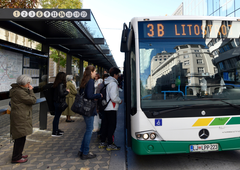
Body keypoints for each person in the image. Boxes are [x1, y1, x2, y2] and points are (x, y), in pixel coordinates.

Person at [9, 75, 37, 163]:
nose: (29, 85)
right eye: (28, 83)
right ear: (24, 83)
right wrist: (31, 91)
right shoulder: (20, 92)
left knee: (21, 136)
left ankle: (19, 154)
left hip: (20, 116)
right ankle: (16, 157)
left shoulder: (19, 90)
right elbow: (33, 100)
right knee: (20, 137)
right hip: (20, 117)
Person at [78, 65, 102, 160]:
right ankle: (85, 153)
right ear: (91, 72)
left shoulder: (84, 80)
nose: (96, 73)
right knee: (89, 130)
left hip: (84, 108)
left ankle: (82, 150)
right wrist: (98, 95)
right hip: (89, 109)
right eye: (95, 71)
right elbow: (89, 95)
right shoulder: (91, 81)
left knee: (88, 130)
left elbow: (82, 94)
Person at [98, 67, 122, 151]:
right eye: (118, 74)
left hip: (105, 107)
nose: (118, 76)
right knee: (112, 126)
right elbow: (114, 97)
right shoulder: (113, 84)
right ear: (114, 74)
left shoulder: (106, 82)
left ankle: (102, 142)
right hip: (111, 107)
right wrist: (120, 100)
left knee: (105, 125)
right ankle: (110, 144)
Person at [52, 72, 69, 137]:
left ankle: (56, 129)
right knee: (57, 117)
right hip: (59, 102)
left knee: (57, 117)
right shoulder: (61, 84)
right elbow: (62, 94)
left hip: (56, 102)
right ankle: (55, 131)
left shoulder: (56, 84)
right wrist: (67, 91)